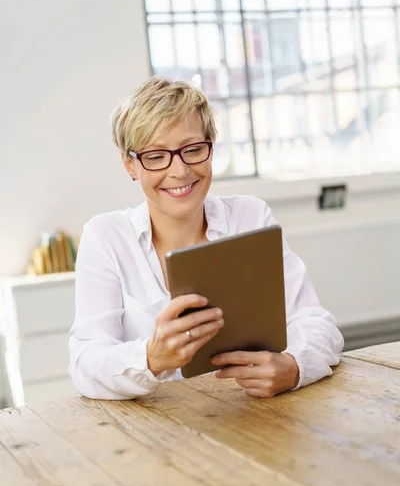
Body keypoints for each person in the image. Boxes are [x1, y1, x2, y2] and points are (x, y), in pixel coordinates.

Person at [68, 77, 344, 400]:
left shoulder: (250, 217)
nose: (180, 170)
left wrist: (294, 366)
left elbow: (316, 323)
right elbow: (84, 362)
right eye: (156, 156)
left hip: (252, 419)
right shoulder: (106, 237)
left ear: (211, 149)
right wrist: (151, 357)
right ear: (130, 164)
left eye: (193, 149)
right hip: (152, 435)